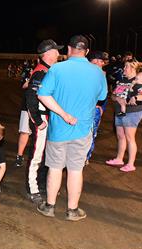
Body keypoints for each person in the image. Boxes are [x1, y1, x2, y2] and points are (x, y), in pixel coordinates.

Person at [36, 35, 107, 221]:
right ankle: (72, 210)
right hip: (83, 130)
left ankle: (50, 206)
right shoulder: (98, 72)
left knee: (55, 168)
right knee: (76, 170)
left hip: (59, 130)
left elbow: (43, 95)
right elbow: (102, 96)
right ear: (88, 51)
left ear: (68, 49)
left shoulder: (57, 68)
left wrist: (63, 114)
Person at [24, 39, 63, 203]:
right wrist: (38, 121)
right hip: (43, 119)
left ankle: (42, 184)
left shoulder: (50, 71)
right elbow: (31, 98)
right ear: (48, 54)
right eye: (56, 51)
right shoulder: (41, 72)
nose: (59, 54)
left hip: (51, 119)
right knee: (37, 154)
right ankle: (32, 188)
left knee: (48, 154)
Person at [106, 60, 142, 172]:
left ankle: (131, 164)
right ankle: (119, 159)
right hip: (119, 111)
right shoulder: (121, 80)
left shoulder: (138, 80)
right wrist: (117, 98)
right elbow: (112, 96)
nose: (124, 69)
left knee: (130, 137)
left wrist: (134, 98)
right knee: (120, 136)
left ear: (133, 69)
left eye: (126, 67)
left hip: (132, 112)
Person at [86, 51, 109, 164]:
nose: (102, 64)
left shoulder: (101, 73)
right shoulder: (89, 72)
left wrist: (99, 107)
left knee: (91, 134)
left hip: (95, 108)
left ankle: (86, 157)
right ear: (94, 61)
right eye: (100, 61)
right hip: (86, 108)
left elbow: (103, 97)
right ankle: (83, 157)